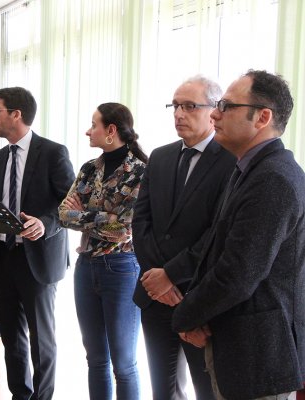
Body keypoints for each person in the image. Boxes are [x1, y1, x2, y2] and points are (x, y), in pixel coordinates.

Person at [172, 70, 305, 399]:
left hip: (259, 358)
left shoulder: (273, 178)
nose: (215, 114)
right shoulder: (249, 168)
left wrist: (185, 315)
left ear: (263, 117)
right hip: (240, 347)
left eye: (227, 106)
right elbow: (216, 252)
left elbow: (238, 274)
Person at [132, 76, 235, 400]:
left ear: (214, 111)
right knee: (163, 390)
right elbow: (141, 222)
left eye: (189, 106)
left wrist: (171, 276)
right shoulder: (160, 156)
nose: (179, 114)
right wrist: (159, 281)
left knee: (207, 390)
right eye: (175, 106)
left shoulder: (232, 160)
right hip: (154, 296)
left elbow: (218, 232)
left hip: (199, 297)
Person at [0, 87, 75, 400]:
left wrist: (44, 223)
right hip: (4, 256)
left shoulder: (53, 152)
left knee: (42, 341)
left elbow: (71, 204)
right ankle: (19, 395)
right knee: (11, 339)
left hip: (39, 258)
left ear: (16, 114)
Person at [59, 102, 148, 400]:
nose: (88, 131)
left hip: (121, 268)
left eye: (93, 124)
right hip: (86, 267)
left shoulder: (140, 171)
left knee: (124, 363)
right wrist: (102, 219)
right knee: (95, 359)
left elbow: (124, 229)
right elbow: (63, 214)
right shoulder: (89, 168)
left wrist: (83, 215)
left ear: (111, 130)